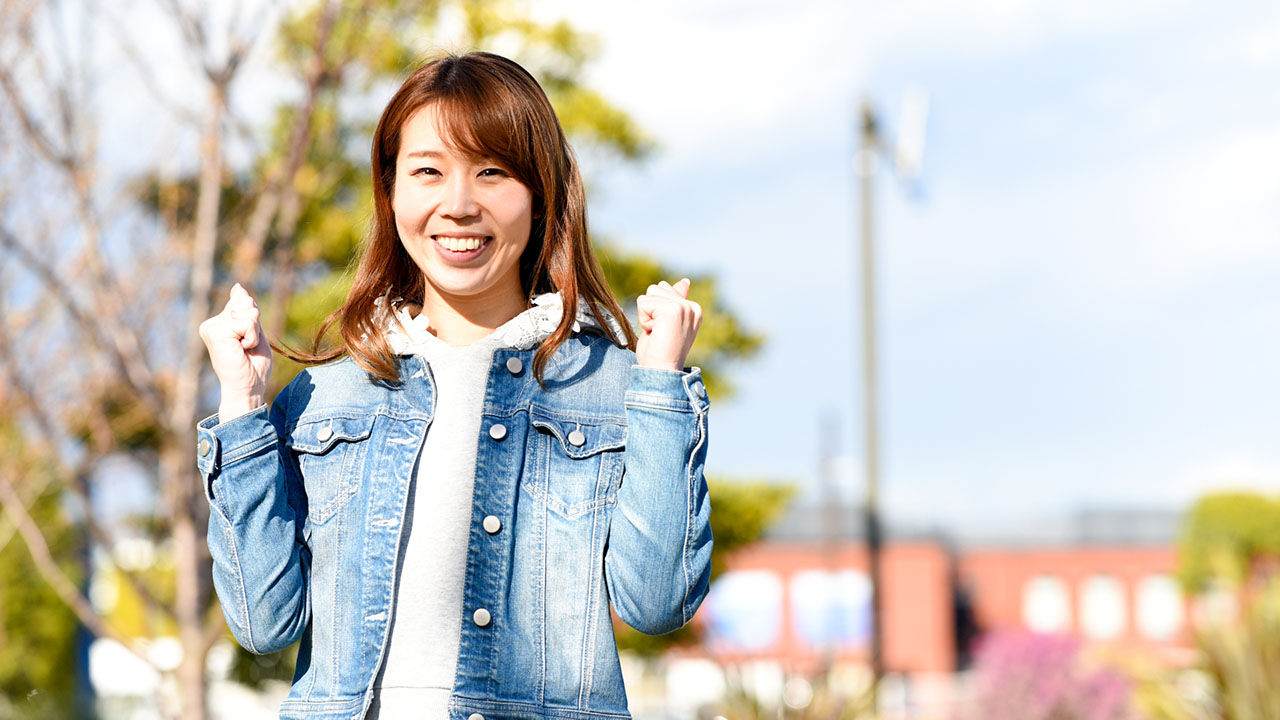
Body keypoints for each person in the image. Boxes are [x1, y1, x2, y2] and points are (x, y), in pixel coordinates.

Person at [195, 51, 713, 720]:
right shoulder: (326, 396)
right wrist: (242, 407)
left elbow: (658, 603)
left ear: (539, 193)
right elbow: (264, 623)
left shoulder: (615, 388)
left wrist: (660, 386)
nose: (459, 204)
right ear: (391, 191)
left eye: (492, 172)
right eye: (428, 172)